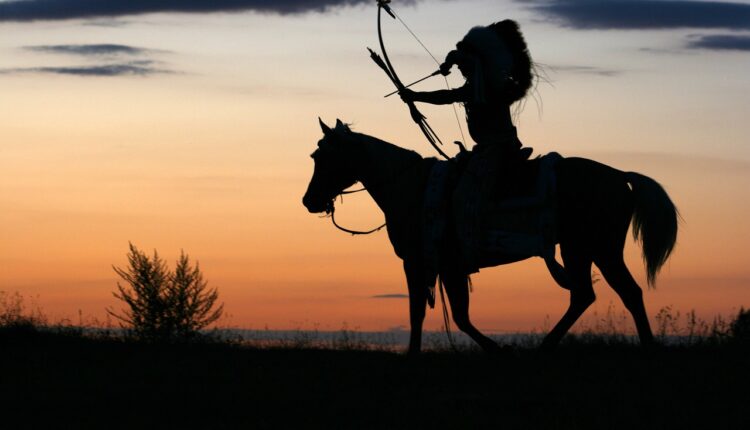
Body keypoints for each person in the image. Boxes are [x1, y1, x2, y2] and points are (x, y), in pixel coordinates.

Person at [400, 19, 536, 274]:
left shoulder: (488, 88)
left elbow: (447, 96)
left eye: (466, 67)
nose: (464, 71)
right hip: (485, 149)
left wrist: (416, 96)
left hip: (498, 149)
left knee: (464, 195)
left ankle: (472, 245)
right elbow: (457, 55)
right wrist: (448, 63)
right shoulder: (480, 83)